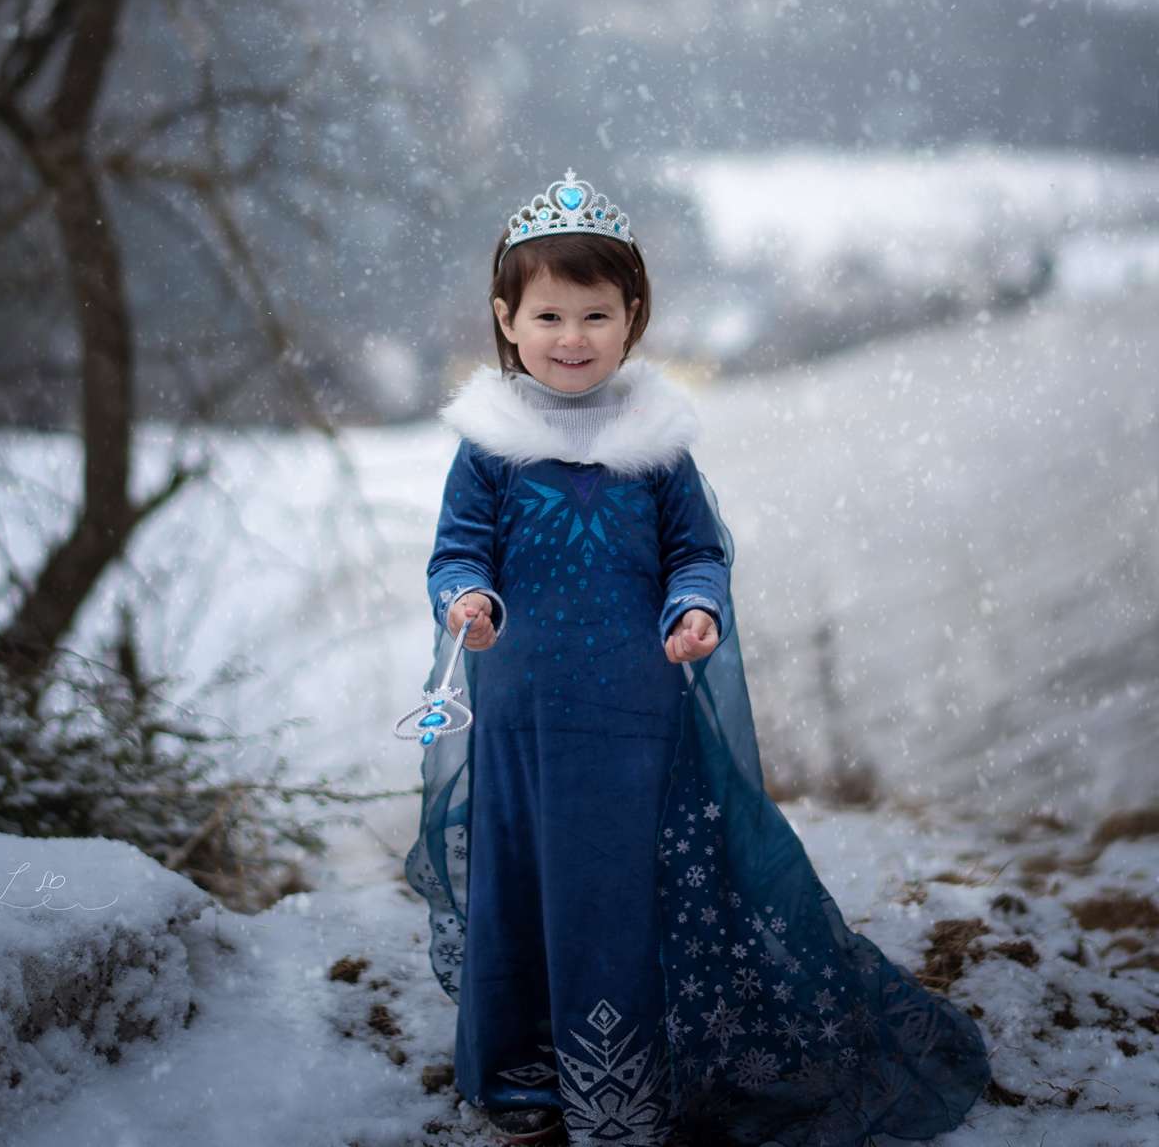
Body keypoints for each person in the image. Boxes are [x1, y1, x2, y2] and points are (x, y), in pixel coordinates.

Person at [405, 169, 992, 1147]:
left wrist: (693, 608)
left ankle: (623, 1072)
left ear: (633, 316)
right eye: (548, 312)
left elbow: (697, 551)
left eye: (596, 311)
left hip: (636, 717)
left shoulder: (658, 446)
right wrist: (467, 594)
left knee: (621, 886)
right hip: (521, 719)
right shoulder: (489, 449)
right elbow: (458, 547)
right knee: (526, 883)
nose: (573, 335)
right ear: (506, 318)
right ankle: (525, 1065)